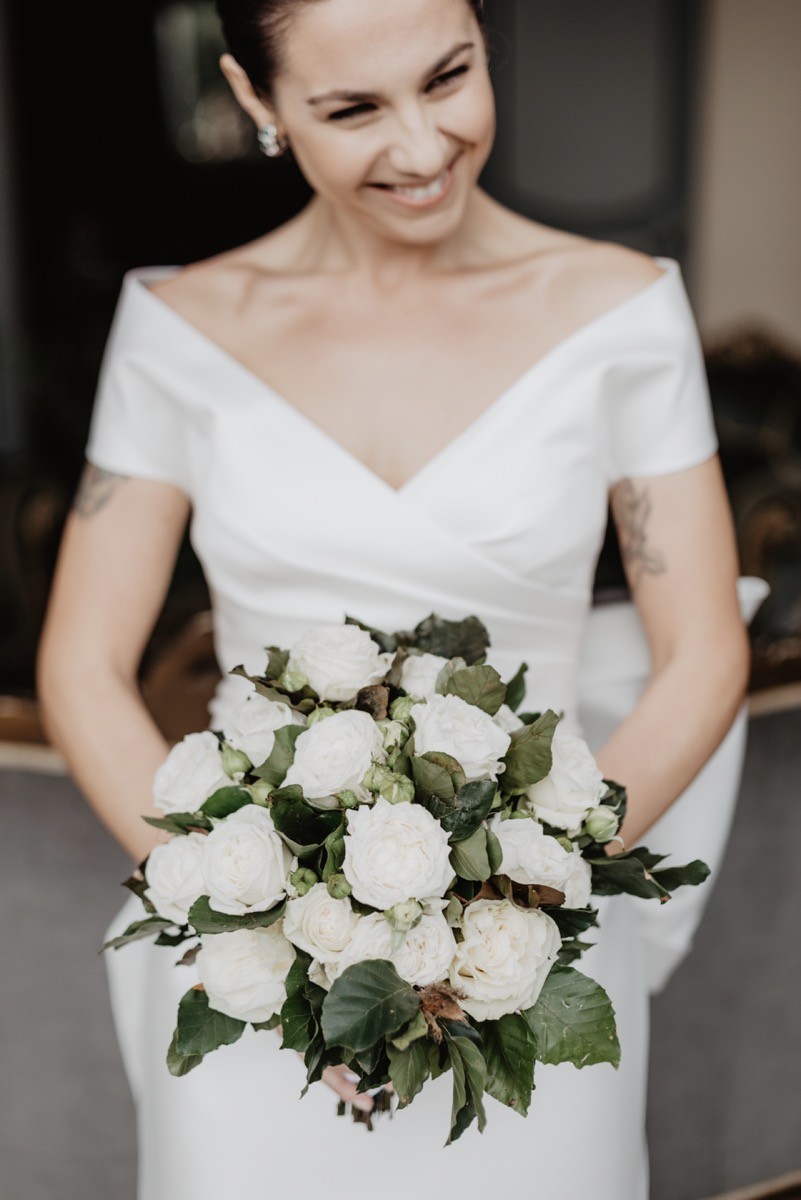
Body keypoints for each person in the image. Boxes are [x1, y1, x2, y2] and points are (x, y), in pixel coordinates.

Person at [36, 0, 750, 1196]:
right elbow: (82, 666)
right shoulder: (179, 330)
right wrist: (237, 901)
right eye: (353, 108)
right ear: (257, 100)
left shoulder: (621, 312)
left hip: (537, 940)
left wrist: (525, 891)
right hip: (258, 961)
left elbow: (703, 653)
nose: (421, 149)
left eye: (450, 77)